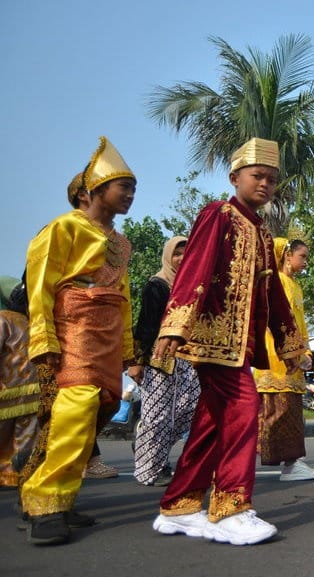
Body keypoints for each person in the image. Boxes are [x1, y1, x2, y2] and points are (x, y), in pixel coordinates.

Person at [150, 138, 305, 545]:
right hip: (213, 340)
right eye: (258, 176)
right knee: (243, 406)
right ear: (235, 177)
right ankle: (230, 507)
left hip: (240, 346)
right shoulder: (217, 215)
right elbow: (195, 268)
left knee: (210, 423)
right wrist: (174, 324)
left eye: (272, 179)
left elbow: (273, 298)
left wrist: (290, 346)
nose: (266, 185)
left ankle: (180, 505)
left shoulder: (263, 232)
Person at [20, 137, 137, 545]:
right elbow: (40, 285)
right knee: (76, 406)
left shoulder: (121, 243)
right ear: (94, 190)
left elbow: (123, 296)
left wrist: (127, 349)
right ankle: (45, 503)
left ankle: (59, 499)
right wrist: (43, 337)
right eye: (124, 187)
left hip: (107, 329)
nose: (130, 195)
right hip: (74, 324)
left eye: (133, 189)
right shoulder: (64, 227)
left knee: (95, 413)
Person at [128, 236, 200, 487]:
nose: (181, 259)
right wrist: (136, 361)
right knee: (156, 416)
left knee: (187, 411)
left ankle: (153, 453)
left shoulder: (193, 286)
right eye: (176, 254)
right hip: (159, 360)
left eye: (185, 253)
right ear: (168, 256)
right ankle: (149, 470)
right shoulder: (157, 285)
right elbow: (145, 326)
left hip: (188, 362)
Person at [253, 238, 314, 481]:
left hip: (294, 360)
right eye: (303, 257)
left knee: (290, 412)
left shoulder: (295, 287)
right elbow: (275, 324)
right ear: (287, 255)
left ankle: (292, 463)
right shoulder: (275, 283)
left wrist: (306, 353)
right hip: (275, 358)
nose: (305, 262)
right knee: (273, 413)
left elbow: (301, 325)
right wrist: (289, 352)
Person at [0, 276, 40, 488]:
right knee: (25, 436)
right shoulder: (32, 322)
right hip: (33, 390)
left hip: (7, 390)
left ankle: (4, 474)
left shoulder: (2, 319)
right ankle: (22, 474)